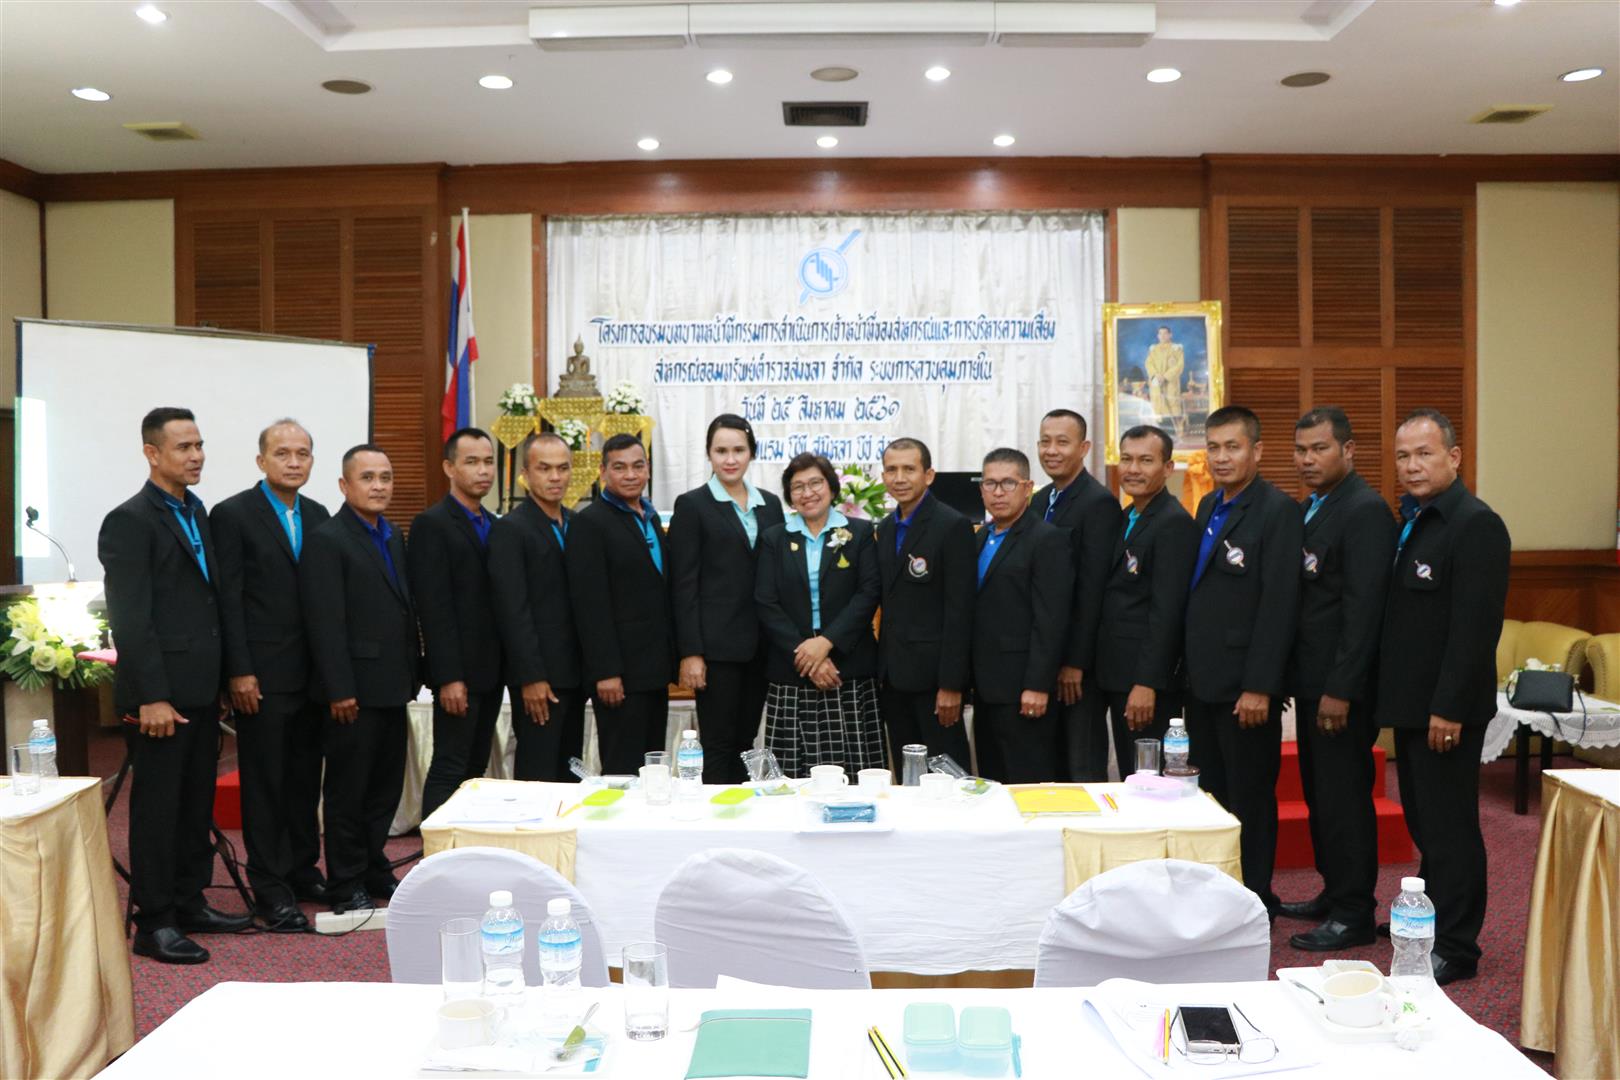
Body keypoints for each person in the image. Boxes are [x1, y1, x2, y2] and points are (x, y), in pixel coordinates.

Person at [99, 407, 251, 964]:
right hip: (160, 696)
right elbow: (131, 618)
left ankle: (190, 901)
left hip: (201, 689)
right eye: (184, 447)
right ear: (152, 453)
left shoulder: (196, 510)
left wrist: (224, 676)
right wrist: (152, 696)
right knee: (158, 810)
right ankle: (154, 921)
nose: (196, 456)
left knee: (193, 805)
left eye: (199, 445)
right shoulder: (129, 520)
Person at [1377, 409, 1509, 986]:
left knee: (1451, 829)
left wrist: (1449, 707)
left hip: (1445, 711)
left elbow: (1474, 629)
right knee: (1427, 825)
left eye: (1425, 453)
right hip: (1413, 706)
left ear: (1453, 457)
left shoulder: (1475, 524)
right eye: (1403, 456)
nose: (1412, 466)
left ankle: (1457, 946)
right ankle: (1429, 927)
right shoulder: (1415, 520)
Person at [1281, 408, 1396, 951]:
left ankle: (1353, 913)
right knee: (1321, 795)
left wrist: (1341, 689)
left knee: (1344, 799)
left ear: (1348, 451)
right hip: (1313, 682)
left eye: (1320, 449)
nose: (1308, 460)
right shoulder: (1316, 506)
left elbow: (1363, 610)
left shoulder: (1365, 510)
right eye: (1301, 450)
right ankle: (1335, 891)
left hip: (1339, 689)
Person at [210, 418, 331, 930]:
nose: (294, 462)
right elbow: (229, 599)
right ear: (262, 461)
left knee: (304, 781)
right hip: (261, 676)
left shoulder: (320, 515)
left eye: (302, 453)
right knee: (266, 785)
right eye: (283, 453)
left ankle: (302, 870)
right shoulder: (233, 515)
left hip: (312, 677)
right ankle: (271, 887)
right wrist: (239, 671)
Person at [1183, 405, 1301, 914]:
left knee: (1250, 796)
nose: (1222, 457)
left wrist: (1260, 686)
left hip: (1245, 689)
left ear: (1257, 451)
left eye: (1233, 447)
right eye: (1214, 447)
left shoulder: (1277, 510)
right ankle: (1218, 892)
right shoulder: (1209, 504)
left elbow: (1279, 605)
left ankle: (1255, 899)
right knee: (1210, 793)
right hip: (1203, 681)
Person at [301, 444, 419, 914]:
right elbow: (324, 621)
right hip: (352, 690)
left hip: (392, 684)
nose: (378, 486)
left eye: (385, 477)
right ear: (344, 485)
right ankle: (345, 879)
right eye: (367, 477)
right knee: (349, 791)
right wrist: (339, 688)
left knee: (383, 789)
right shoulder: (328, 539)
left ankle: (373, 865)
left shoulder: (392, 535)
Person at [668, 415, 785, 782]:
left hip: (762, 647)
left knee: (747, 742)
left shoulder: (770, 504)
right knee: (718, 743)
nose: (730, 459)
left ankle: (741, 808)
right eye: (721, 451)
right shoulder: (692, 505)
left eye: (738, 450)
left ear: (752, 453)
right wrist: (691, 652)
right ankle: (717, 811)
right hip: (716, 650)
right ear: (709, 454)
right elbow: (683, 584)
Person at [754, 453, 882, 777]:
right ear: (789, 495)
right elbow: (766, 601)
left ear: (831, 487)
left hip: (847, 668)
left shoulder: (859, 532)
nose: (807, 493)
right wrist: (806, 654)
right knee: (791, 778)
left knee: (856, 774)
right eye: (798, 486)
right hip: (792, 670)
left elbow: (868, 593)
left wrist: (826, 643)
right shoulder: (774, 538)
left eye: (815, 483)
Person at [1094, 425, 1199, 780]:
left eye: (1145, 460)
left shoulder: (1173, 522)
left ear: (1167, 468)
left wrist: (1147, 682)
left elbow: (1167, 611)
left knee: (1149, 779)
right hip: (1117, 673)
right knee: (1130, 774)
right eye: (1126, 459)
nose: (1133, 469)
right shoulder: (1129, 516)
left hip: (1145, 683)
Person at [410, 428, 503, 820]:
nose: (483, 471)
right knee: (450, 765)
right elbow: (434, 608)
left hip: (491, 670)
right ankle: (435, 849)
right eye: (472, 462)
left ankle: (465, 844)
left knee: (475, 769)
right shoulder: (432, 524)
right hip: (458, 674)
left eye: (489, 462)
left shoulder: (494, 523)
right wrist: (448, 677)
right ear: (449, 468)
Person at [567, 435, 674, 776]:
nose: (630, 475)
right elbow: (590, 604)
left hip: (653, 670)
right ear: (603, 472)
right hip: (619, 675)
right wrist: (606, 671)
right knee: (622, 770)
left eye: (638, 466)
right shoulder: (590, 522)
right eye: (620, 467)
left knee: (652, 767)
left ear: (648, 469)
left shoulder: (650, 517)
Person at [969, 448, 1074, 783]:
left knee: (1027, 784)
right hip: (986, 688)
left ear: (1028, 488)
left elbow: (1051, 620)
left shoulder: (1046, 539)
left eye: (1008, 483)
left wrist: (1037, 685)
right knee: (992, 782)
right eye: (990, 483)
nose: (998, 492)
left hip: (1024, 690)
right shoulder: (981, 536)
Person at [1032, 409, 1123, 782]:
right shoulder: (1039, 501)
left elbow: (1093, 589)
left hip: (1078, 667)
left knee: (1081, 764)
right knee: (1049, 765)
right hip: (1044, 660)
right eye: (1045, 442)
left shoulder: (1098, 503)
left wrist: (1075, 662)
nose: (1051, 450)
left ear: (1084, 448)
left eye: (1062, 442)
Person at [488, 433, 585, 782]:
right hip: (539, 677)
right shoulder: (511, 529)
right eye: (544, 469)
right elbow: (512, 609)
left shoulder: (575, 522)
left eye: (563, 468)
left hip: (574, 673)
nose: (555, 477)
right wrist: (530, 676)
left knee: (571, 772)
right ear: (525, 474)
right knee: (538, 774)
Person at [873, 437, 975, 769]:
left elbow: (960, 611)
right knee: (908, 775)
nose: (899, 478)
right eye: (891, 470)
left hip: (935, 683)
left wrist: (952, 685)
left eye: (909, 469)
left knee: (947, 774)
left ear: (928, 475)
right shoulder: (886, 528)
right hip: (893, 679)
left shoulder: (952, 525)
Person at [1145, 326, 1185, 433]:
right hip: (1156, 382)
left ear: (1170, 335)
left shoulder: (1176, 349)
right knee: (1157, 405)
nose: (1162, 336)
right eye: (1160, 334)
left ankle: (1177, 430)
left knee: (1173, 405)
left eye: (1165, 333)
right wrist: (1156, 375)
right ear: (1158, 336)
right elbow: (1149, 364)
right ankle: (1158, 431)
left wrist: (1166, 376)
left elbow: (1179, 365)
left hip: (1171, 382)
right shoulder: (1153, 349)